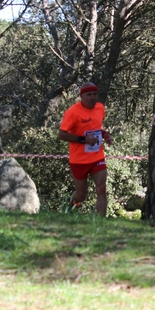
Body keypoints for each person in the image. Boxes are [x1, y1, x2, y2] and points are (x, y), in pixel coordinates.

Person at [58, 82, 113, 215]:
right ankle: (70, 208)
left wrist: (105, 134)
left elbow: (97, 127)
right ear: (81, 96)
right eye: (89, 95)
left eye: (95, 94)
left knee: (101, 188)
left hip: (97, 157)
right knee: (82, 195)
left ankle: (101, 222)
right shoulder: (72, 112)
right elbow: (61, 135)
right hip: (79, 160)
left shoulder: (100, 108)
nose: (93, 97)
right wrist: (83, 140)